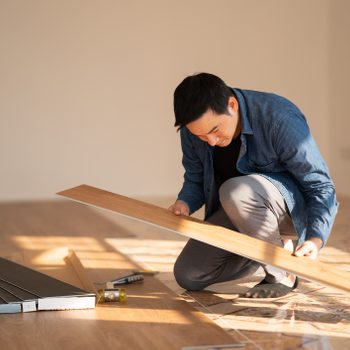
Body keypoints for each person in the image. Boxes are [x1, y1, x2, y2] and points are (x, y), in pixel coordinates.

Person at [168, 72, 338, 298]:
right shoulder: (192, 132)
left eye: (215, 130)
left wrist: (315, 240)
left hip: (286, 212)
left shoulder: (279, 118)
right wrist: (184, 202)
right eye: (200, 136)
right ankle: (266, 252)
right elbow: (195, 178)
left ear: (232, 105)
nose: (211, 141)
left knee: (235, 192)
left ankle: (282, 273)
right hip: (240, 210)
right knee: (189, 274)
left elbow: (321, 186)